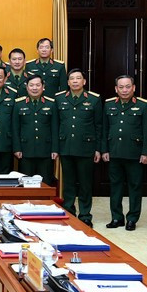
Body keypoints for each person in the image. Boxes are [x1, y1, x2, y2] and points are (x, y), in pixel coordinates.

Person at [102, 75, 147, 231]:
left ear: (134, 88)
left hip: (135, 154)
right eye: (121, 87)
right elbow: (104, 130)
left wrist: (146, 153)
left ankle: (132, 218)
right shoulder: (109, 105)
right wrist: (104, 149)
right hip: (115, 153)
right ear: (116, 89)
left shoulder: (144, 106)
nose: (124, 90)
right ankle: (117, 217)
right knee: (115, 187)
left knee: (135, 187)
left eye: (128, 86)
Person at [55, 69, 102, 227]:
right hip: (66, 146)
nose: (75, 81)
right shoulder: (59, 98)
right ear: (68, 82)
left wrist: (98, 149)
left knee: (85, 183)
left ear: (84, 82)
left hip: (86, 148)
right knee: (68, 182)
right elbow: (56, 125)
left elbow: (99, 126)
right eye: (72, 79)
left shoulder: (94, 100)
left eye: (78, 78)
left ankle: (85, 214)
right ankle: (69, 210)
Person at [12, 74, 59, 185]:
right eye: (31, 85)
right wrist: (17, 148)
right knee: (26, 183)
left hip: (46, 151)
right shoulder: (19, 104)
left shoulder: (51, 104)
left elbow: (55, 128)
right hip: (25, 151)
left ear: (43, 87)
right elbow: (15, 128)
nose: (34, 88)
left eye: (38, 85)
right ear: (26, 87)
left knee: (46, 182)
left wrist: (55, 149)